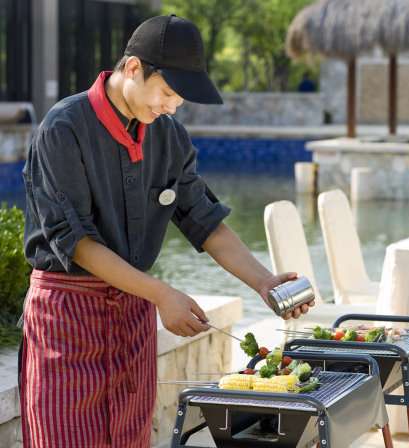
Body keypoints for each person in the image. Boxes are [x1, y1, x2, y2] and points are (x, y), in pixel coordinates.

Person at [20, 15, 313, 447]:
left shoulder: (168, 136)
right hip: (69, 318)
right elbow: (77, 243)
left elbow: (205, 222)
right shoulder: (64, 128)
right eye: (168, 93)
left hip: (132, 316)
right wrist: (161, 294)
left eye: (179, 99)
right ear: (133, 68)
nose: (172, 107)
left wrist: (264, 282)